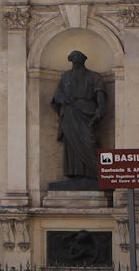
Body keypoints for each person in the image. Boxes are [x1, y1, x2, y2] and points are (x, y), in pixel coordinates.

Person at [50, 50, 107, 182]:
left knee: (89, 141)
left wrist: (100, 109)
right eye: (73, 58)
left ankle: (94, 173)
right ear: (70, 60)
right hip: (69, 112)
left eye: (78, 58)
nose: (76, 61)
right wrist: (62, 98)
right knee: (71, 144)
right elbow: (57, 95)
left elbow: (100, 97)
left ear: (84, 60)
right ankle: (74, 173)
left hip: (87, 111)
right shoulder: (65, 77)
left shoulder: (94, 76)